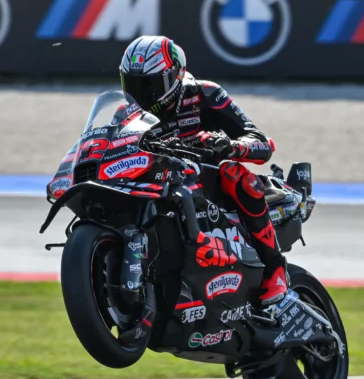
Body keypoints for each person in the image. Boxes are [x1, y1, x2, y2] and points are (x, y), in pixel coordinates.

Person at [119, 35, 288, 308]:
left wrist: (229, 146)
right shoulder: (126, 113)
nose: (143, 96)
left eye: (151, 85)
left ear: (176, 75)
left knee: (234, 174)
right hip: (159, 183)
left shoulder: (205, 94)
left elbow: (261, 143)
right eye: (134, 86)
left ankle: (275, 267)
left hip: (207, 185)